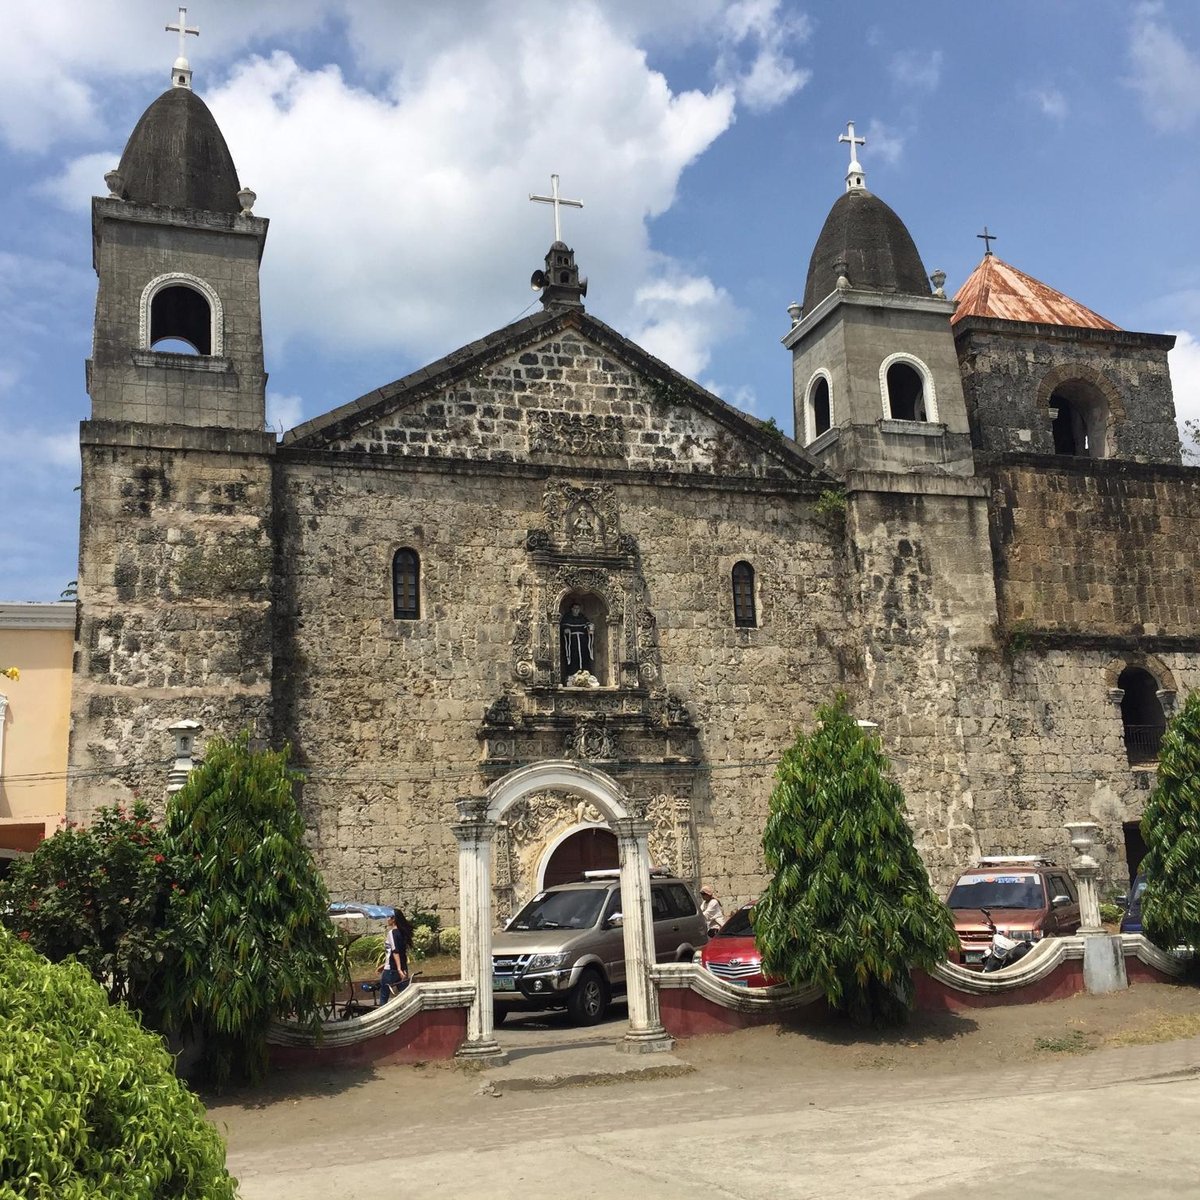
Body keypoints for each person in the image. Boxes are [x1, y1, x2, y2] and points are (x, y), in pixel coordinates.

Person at [378, 907, 411, 1004]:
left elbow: (395, 951)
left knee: (384, 995)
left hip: (392, 970)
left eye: (389, 917)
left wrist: (398, 969)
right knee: (404, 996)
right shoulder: (402, 932)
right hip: (402, 968)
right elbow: (399, 953)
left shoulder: (392, 933)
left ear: (394, 919)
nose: (387, 919)